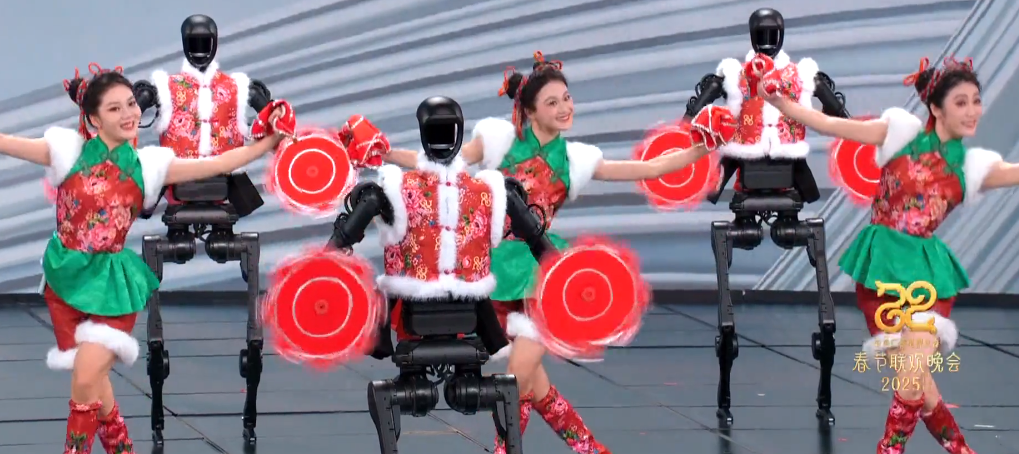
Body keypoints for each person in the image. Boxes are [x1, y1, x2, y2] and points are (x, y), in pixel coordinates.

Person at [383, 51, 735, 454]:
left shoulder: (575, 159)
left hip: (542, 272)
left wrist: (704, 148)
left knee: (517, 376)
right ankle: (590, 449)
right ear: (530, 111)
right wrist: (382, 152)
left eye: (566, 98)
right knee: (534, 385)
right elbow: (435, 161)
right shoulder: (499, 142)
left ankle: (504, 450)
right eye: (552, 102)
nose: (564, 108)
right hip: (494, 274)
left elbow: (651, 169)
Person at [0, 64, 286, 454]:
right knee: (96, 385)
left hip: (112, 286)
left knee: (84, 380)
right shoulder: (67, 152)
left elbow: (219, 164)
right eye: (115, 109)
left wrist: (269, 142)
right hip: (65, 280)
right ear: (94, 119)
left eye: (131, 104)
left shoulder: (150, 166)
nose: (129, 114)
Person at [758, 56, 1014, 454]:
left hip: (927, 277)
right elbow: (830, 125)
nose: (972, 111)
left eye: (976, 101)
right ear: (936, 107)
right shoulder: (899, 134)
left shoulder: (973, 167)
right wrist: (779, 103)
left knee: (911, 377)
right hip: (881, 273)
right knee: (920, 387)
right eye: (961, 102)